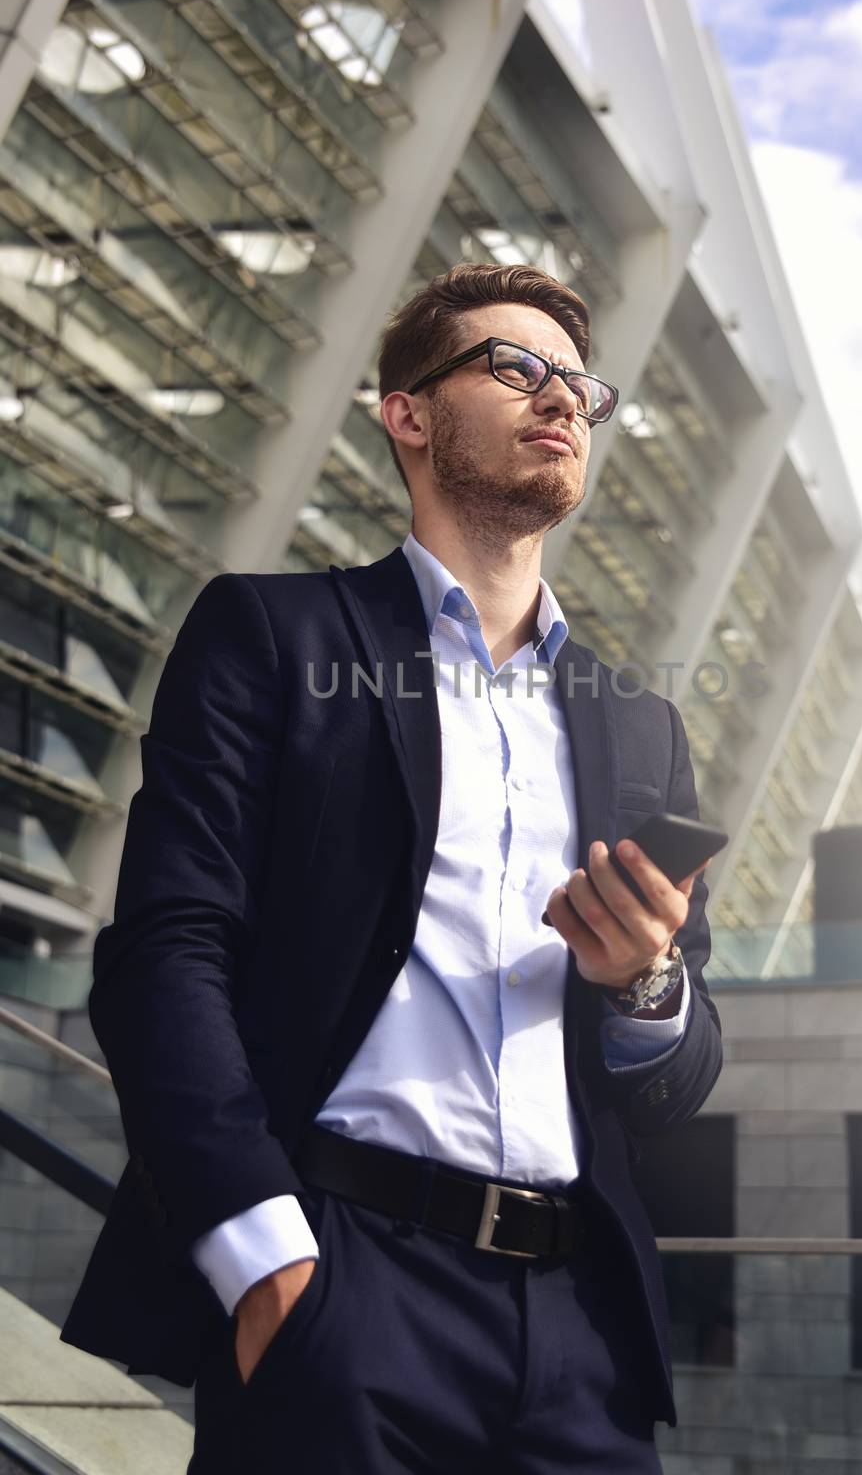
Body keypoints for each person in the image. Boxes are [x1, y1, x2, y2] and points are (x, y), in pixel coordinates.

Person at [60, 262, 724, 1472]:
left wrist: (642, 980)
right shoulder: (274, 636)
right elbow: (166, 950)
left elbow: (678, 1082)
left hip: (583, 1332)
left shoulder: (641, 726)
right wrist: (267, 1263)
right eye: (515, 367)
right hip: (344, 1282)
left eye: (580, 383)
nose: (562, 399)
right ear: (407, 413)